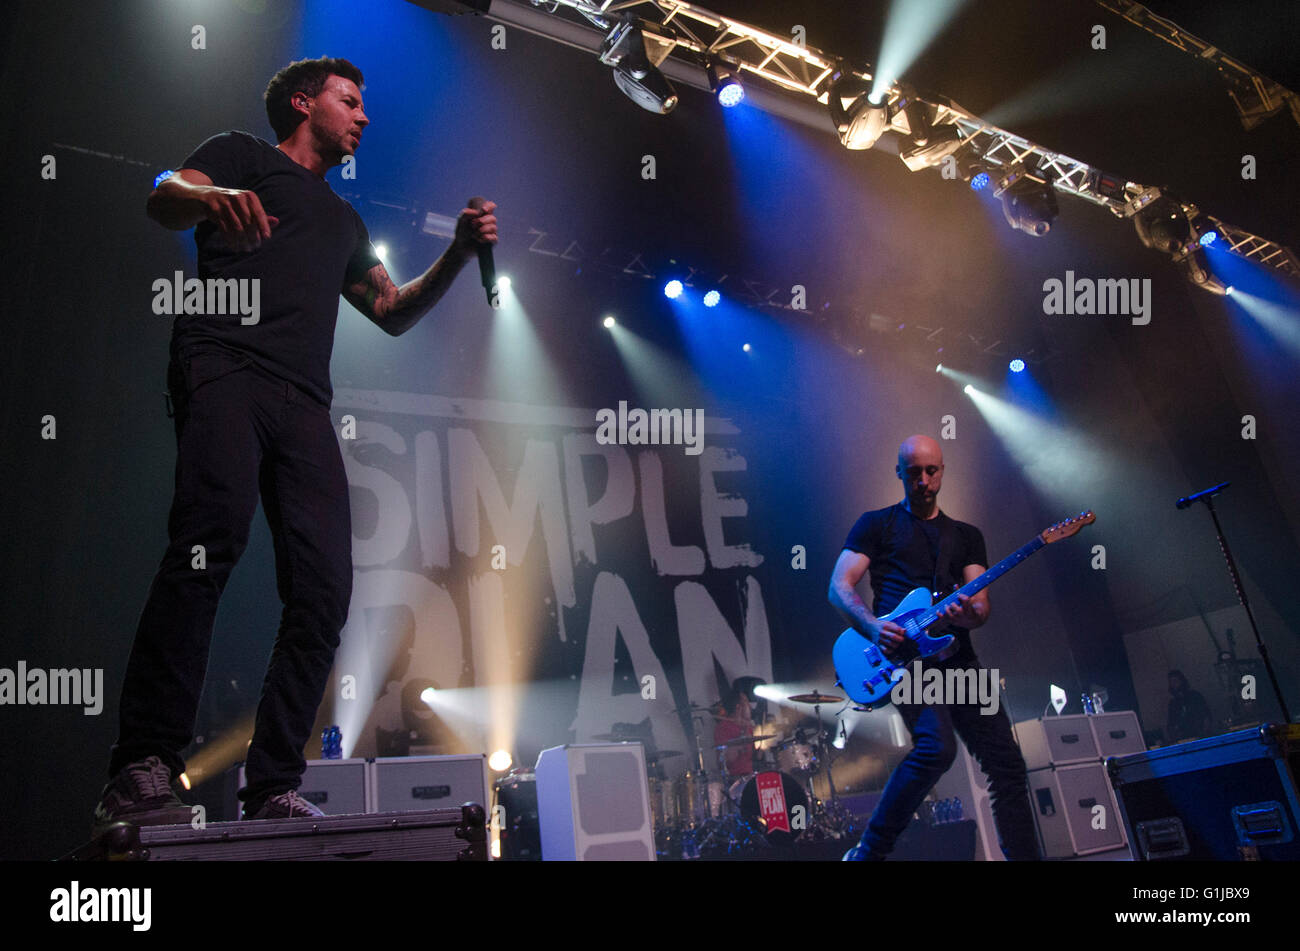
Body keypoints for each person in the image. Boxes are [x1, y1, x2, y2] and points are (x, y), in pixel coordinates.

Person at [93, 56, 497, 833]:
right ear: (305, 103)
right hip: (223, 363)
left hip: (305, 399)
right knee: (209, 542)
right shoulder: (243, 153)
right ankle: (142, 762)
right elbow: (164, 196)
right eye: (351, 101)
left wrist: (453, 249)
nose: (365, 116)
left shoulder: (345, 221)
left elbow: (391, 308)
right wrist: (216, 195)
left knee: (325, 588)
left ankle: (274, 780)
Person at [828, 435, 1039, 860]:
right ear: (899, 474)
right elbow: (839, 587)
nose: (923, 480)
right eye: (914, 473)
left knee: (1008, 767)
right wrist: (872, 628)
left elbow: (980, 606)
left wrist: (968, 615)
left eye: (931, 471)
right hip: (905, 664)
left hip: (958, 661)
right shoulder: (876, 524)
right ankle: (869, 851)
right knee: (936, 748)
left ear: (942, 471)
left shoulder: (965, 536)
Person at [1166, 669, 1211, 742]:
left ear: (1182, 681)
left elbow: (1206, 716)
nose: (1174, 684)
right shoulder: (1173, 703)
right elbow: (1171, 723)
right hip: (1184, 739)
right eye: (1171, 682)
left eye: (1176, 681)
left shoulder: (1195, 696)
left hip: (1199, 736)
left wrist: (1205, 734)